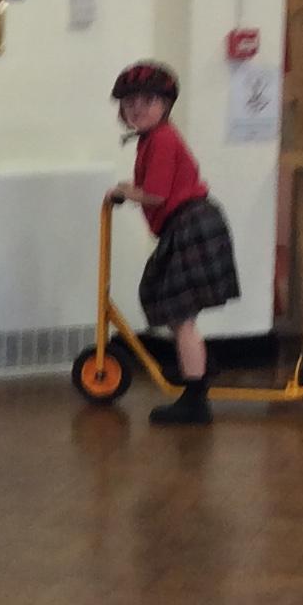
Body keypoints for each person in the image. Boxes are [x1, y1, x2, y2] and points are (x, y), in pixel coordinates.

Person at [107, 61, 240, 426]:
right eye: (130, 102)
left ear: (165, 105)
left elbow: (156, 194)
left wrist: (124, 192)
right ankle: (197, 365)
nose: (137, 108)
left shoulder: (162, 139)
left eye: (147, 101)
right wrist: (129, 190)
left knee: (180, 315)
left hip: (191, 224)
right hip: (186, 224)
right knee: (164, 300)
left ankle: (195, 397)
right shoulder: (152, 139)